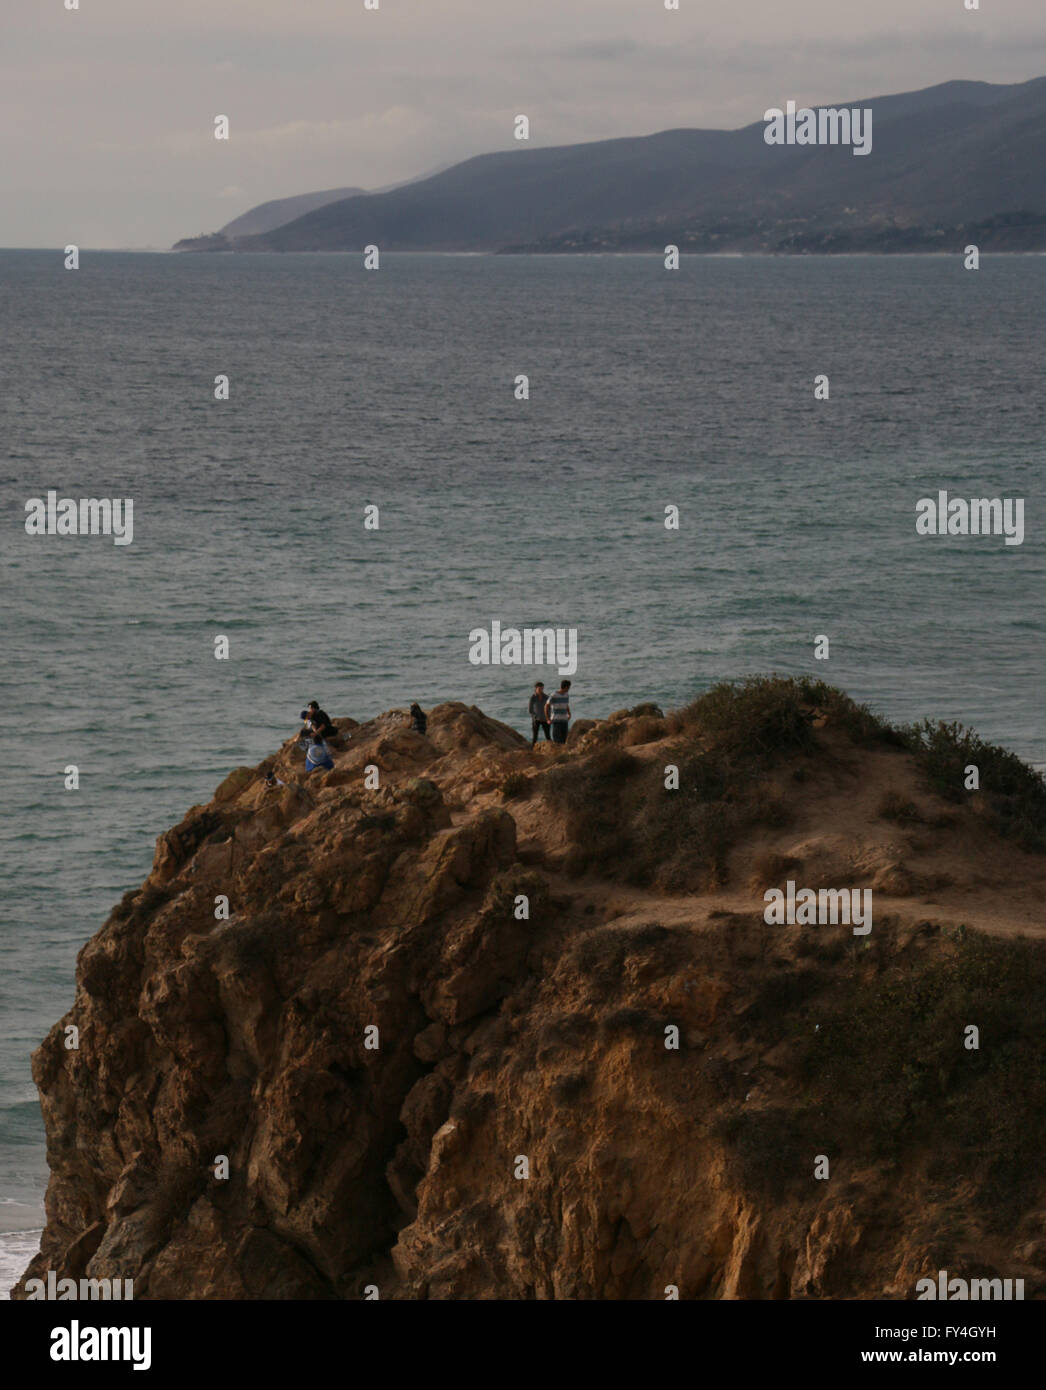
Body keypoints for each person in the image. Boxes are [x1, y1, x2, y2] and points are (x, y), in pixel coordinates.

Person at [545, 679, 572, 744]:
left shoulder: (566, 695)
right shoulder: (554, 695)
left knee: (564, 739)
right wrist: (548, 719)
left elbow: (566, 705)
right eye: (568, 687)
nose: (569, 689)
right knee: (557, 739)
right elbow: (546, 706)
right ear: (566, 687)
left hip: (564, 720)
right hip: (556, 720)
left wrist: (569, 713)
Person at [529, 681, 551, 747]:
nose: (541, 690)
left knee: (548, 736)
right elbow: (530, 710)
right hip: (536, 720)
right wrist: (535, 717)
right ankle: (532, 751)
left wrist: (548, 717)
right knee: (535, 737)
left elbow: (550, 708)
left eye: (542, 689)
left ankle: (551, 749)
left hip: (545, 719)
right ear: (536, 689)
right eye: (539, 689)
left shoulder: (546, 697)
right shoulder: (533, 697)